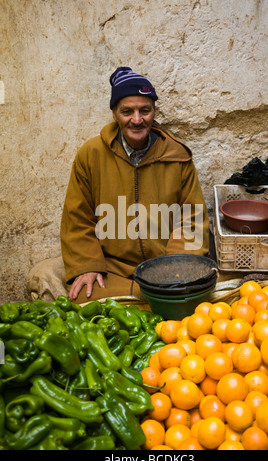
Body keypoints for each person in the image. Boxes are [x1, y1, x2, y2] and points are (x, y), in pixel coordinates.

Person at [60, 66, 210, 304]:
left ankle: (153, 298)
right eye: (127, 111)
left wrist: (173, 269)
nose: (137, 120)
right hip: (112, 270)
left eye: (145, 111)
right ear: (114, 114)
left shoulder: (177, 156)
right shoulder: (91, 155)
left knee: (196, 293)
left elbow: (192, 218)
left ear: (154, 111)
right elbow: (77, 217)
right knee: (78, 294)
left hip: (165, 268)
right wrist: (87, 265)